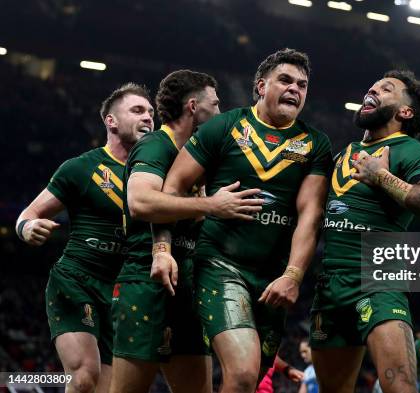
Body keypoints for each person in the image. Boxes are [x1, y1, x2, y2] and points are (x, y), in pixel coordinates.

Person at [156, 48, 333, 393]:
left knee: (249, 382)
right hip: (220, 265)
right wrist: (208, 207)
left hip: (273, 279)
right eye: (285, 80)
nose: (295, 89)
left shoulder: (315, 144)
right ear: (260, 86)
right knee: (241, 373)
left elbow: (310, 215)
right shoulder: (224, 126)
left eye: (302, 84)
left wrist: (294, 276)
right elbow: (172, 189)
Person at [310, 69, 420, 393]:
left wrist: (382, 177)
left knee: (400, 387)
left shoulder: (410, 151)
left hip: (378, 282)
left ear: (405, 112)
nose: (371, 91)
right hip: (329, 287)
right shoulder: (342, 154)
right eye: (371, 86)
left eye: (385, 89)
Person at [15, 83, 154, 393]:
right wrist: (27, 228)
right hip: (77, 281)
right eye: (137, 110)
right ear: (111, 121)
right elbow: (29, 214)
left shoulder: (157, 175)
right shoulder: (80, 168)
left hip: (123, 293)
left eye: (150, 112)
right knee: (83, 378)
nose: (147, 117)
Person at [109, 70, 231, 393]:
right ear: (193, 106)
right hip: (145, 281)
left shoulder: (195, 157)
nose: (220, 113)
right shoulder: (155, 145)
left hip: (188, 282)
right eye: (215, 104)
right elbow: (141, 202)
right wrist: (211, 206)